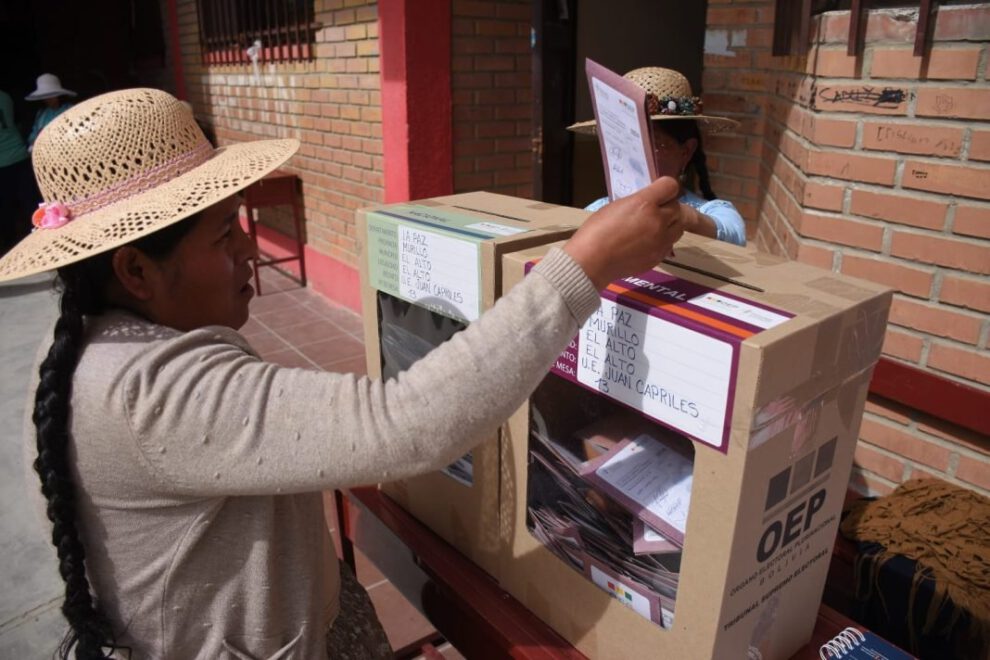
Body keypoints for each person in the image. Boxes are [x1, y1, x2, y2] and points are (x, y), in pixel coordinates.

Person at [0, 88, 685, 659]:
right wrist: (584, 266)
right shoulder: (148, 393)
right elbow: (407, 421)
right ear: (136, 271)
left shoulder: (87, 346)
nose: (246, 250)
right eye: (222, 237)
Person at [570, 66, 747, 246]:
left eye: (653, 144)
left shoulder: (711, 213)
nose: (634, 157)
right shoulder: (597, 212)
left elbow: (734, 235)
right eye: (625, 143)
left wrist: (686, 218)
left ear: (686, 151)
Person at [0, 89, 38, 250]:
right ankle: (41, 243)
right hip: (20, 155)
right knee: (32, 206)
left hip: (3, 163)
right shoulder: (5, 95)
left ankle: (10, 251)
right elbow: (19, 122)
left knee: (5, 211)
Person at [25, 73, 77, 151]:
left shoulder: (71, 109)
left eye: (51, 95)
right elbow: (34, 134)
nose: (48, 99)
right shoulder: (41, 113)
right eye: (45, 96)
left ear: (59, 95)